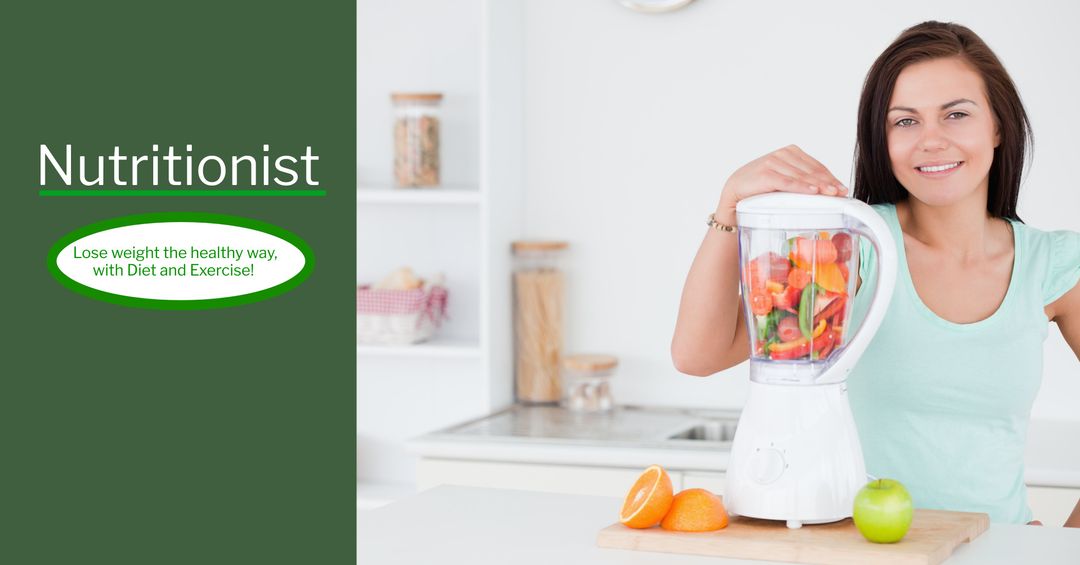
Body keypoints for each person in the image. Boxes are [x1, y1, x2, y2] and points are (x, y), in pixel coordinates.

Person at [671, 21, 1080, 526]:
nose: (931, 140)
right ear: (880, 138)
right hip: (859, 551)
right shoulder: (850, 246)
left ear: (997, 126)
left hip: (1002, 550)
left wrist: (1062, 546)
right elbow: (698, 355)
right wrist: (729, 203)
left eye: (956, 114)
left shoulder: (1056, 264)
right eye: (905, 122)